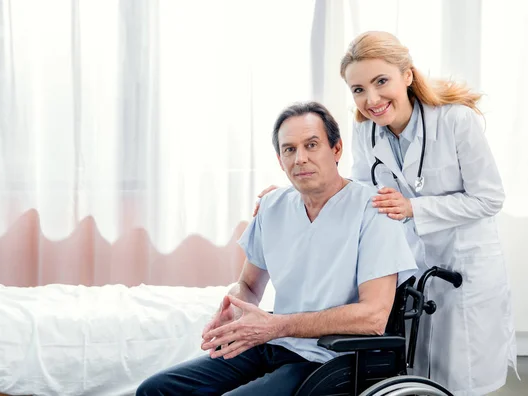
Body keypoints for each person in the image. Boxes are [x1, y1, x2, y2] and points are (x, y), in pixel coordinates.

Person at [253, 31, 517, 395]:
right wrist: (288, 191)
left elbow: (489, 199)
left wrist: (414, 207)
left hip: (464, 269)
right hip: (409, 264)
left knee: (464, 377)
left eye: (381, 82)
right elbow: (356, 192)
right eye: (358, 89)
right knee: (417, 370)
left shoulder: (457, 121)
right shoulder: (366, 133)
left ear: (406, 75)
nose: (371, 99)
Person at [136, 101, 417, 395]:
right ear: (280, 160)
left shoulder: (373, 210)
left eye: (311, 145)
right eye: (289, 149)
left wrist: (276, 326)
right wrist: (236, 309)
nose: (300, 159)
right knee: (155, 390)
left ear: (336, 150)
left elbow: (373, 317)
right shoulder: (272, 206)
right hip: (273, 344)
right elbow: (248, 284)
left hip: (330, 357)